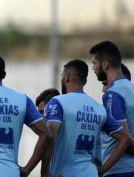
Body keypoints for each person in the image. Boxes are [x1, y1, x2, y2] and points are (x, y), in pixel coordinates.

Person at [43, 59, 130, 177]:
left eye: (62, 76)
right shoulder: (99, 108)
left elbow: (49, 136)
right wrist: (102, 171)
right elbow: (124, 138)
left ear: (67, 78)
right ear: (84, 81)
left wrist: (45, 173)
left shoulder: (57, 102)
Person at [90, 41, 134, 176]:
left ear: (105, 64)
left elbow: (124, 139)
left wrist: (101, 171)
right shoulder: (131, 88)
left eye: (94, 63)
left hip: (120, 171)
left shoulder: (112, 95)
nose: (93, 68)